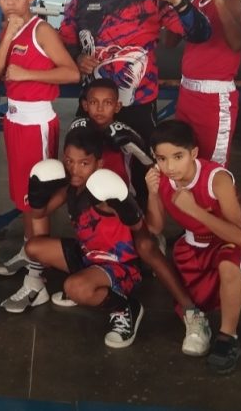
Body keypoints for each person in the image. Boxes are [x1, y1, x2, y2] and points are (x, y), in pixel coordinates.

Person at [59, 0, 211, 207]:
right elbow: (63, 41)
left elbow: (201, 34)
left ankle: (141, 235)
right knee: (85, 168)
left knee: (143, 173)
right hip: (92, 104)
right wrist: (76, 58)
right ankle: (94, 236)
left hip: (138, 106)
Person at [72, 80, 210, 356]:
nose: (100, 109)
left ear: (118, 106)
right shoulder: (81, 133)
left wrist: (132, 141)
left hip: (124, 206)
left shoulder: (123, 137)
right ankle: (101, 280)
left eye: (107, 103)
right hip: (92, 211)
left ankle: (192, 312)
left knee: (147, 245)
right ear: (85, 106)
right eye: (94, 103)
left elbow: (151, 163)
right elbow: (73, 166)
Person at [0, 0, 80, 311]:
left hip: (38, 120)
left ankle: (36, 281)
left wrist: (28, 72)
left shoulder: (41, 30)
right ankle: (30, 251)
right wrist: (9, 36)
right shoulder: (10, 30)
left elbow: (71, 71)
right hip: (14, 119)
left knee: (36, 199)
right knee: (24, 197)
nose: (10, 1)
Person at [146, 120, 241, 374]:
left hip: (227, 239)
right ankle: (217, 300)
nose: (170, 166)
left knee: (229, 266)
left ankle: (228, 338)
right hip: (194, 244)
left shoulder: (216, 179)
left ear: (193, 153)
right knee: (196, 302)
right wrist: (152, 193)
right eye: (162, 158)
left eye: (178, 156)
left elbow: (240, 236)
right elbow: (154, 228)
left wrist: (195, 210)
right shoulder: (162, 178)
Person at [22, 125, 143, 348]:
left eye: (84, 163)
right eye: (69, 161)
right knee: (34, 247)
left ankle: (125, 308)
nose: (74, 169)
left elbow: (138, 225)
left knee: (74, 288)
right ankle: (86, 281)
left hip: (119, 266)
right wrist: (37, 192)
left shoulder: (106, 192)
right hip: (88, 256)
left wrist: (126, 205)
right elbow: (39, 213)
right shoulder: (71, 187)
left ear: (99, 164)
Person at [175, 0, 241, 167]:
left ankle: (217, 204)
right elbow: (169, 40)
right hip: (187, 91)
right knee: (186, 161)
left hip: (216, 98)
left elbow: (236, 43)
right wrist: (179, 0)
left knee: (213, 169)